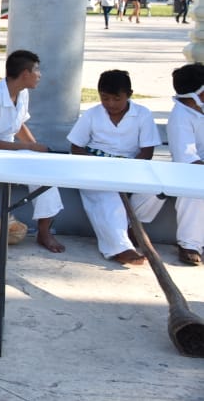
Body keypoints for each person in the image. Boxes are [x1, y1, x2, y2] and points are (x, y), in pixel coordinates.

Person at [0, 50, 66, 252]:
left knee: (43, 168)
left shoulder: (23, 93)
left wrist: (37, 150)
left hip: (8, 149)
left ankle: (44, 230)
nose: (39, 75)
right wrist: (29, 147)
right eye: (36, 70)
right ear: (24, 74)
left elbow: (19, 125)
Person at [67, 69, 162, 266]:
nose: (110, 104)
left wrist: (127, 171)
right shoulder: (92, 115)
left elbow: (147, 152)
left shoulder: (142, 114)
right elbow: (76, 147)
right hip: (95, 167)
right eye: (105, 98)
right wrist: (98, 166)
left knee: (157, 192)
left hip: (132, 167)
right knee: (108, 197)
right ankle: (121, 247)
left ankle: (130, 229)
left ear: (129, 95)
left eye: (116, 99)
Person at [133, 63, 204, 265]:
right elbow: (188, 160)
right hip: (191, 170)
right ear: (196, 94)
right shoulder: (180, 117)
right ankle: (190, 244)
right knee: (194, 190)